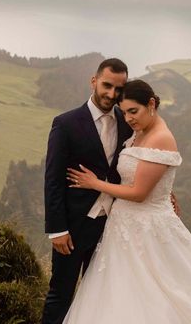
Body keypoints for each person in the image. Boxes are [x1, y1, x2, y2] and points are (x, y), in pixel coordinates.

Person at [63, 80, 191, 323]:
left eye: (134, 111)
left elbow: (139, 193)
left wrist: (94, 183)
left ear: (151, 104)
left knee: (160, 292)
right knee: (122, 291)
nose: (129, 119)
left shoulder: (161, 138)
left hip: (148, 229)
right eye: (124, 112)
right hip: (123, 227)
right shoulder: (139, 131)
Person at [42, 58, 133, 324]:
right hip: (73, 227)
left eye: (119, 89)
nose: (112, 94)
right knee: (61, 294)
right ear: (93, 81)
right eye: (106, 85)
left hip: (111, 226)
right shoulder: (66, 123)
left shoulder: (127, 121)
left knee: (101, 295)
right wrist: (57, 229)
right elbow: (53, 179)